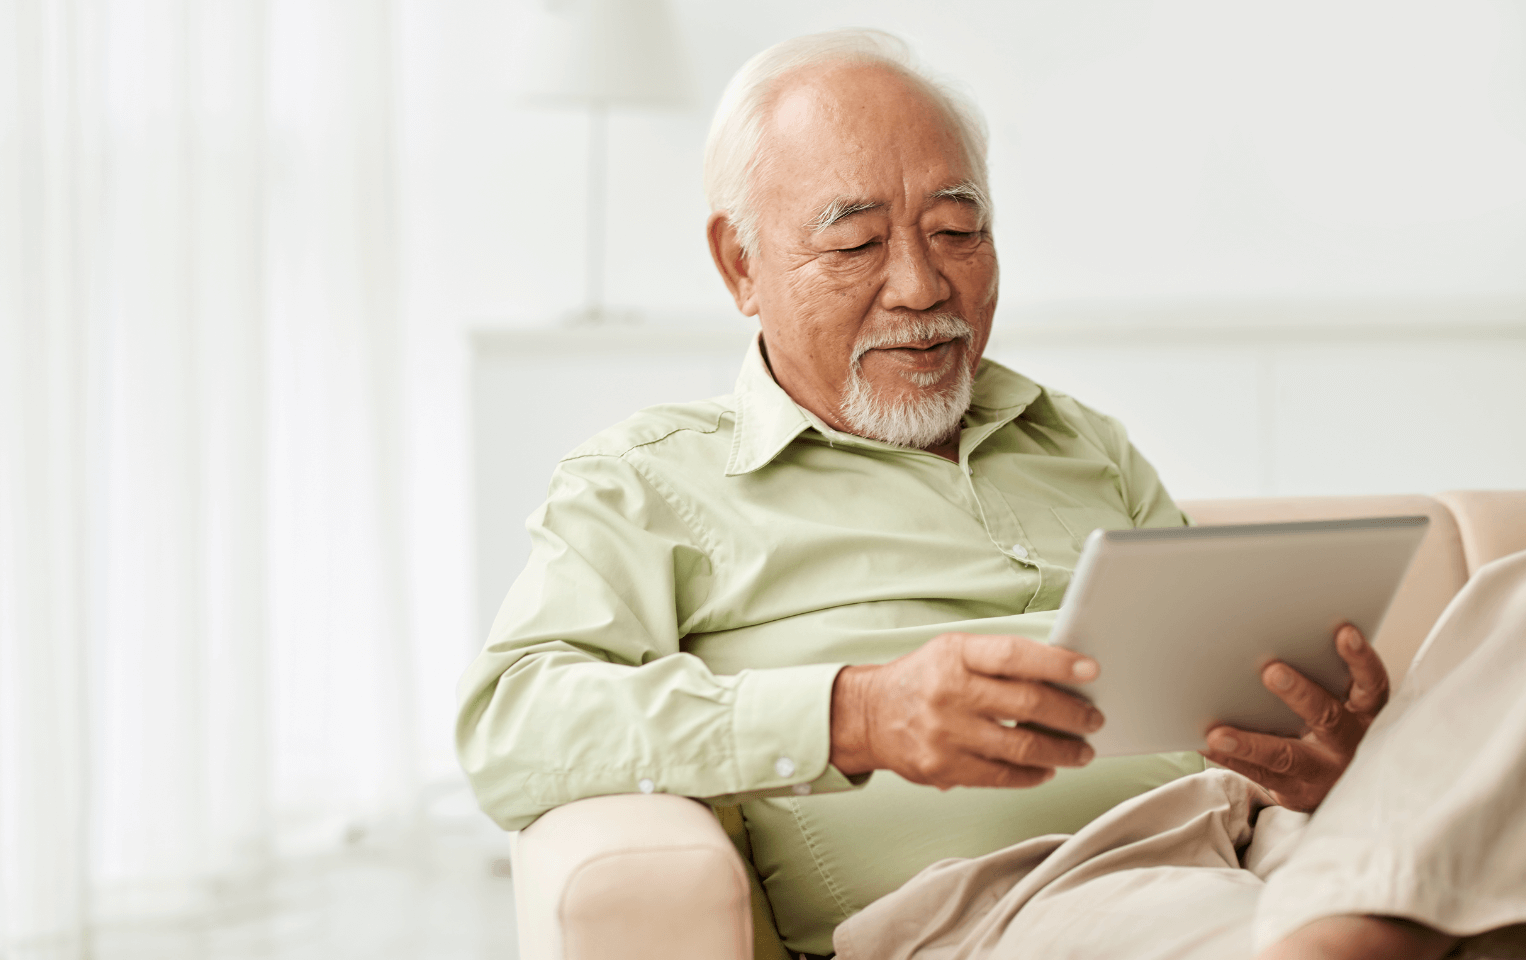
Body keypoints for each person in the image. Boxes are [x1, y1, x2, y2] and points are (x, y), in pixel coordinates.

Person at [456, 30, 1526, 959]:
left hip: (1254, 847)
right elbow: (512, 727)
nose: (921, 285)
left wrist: (1326, 765)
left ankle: (1368, 911)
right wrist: (857, 714)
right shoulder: (647, 483)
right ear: (739, 264)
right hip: (1018, 903)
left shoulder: (1077, 442)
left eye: (956, 230)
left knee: (1511, 603)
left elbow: (1225, 722)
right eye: (854, 239)